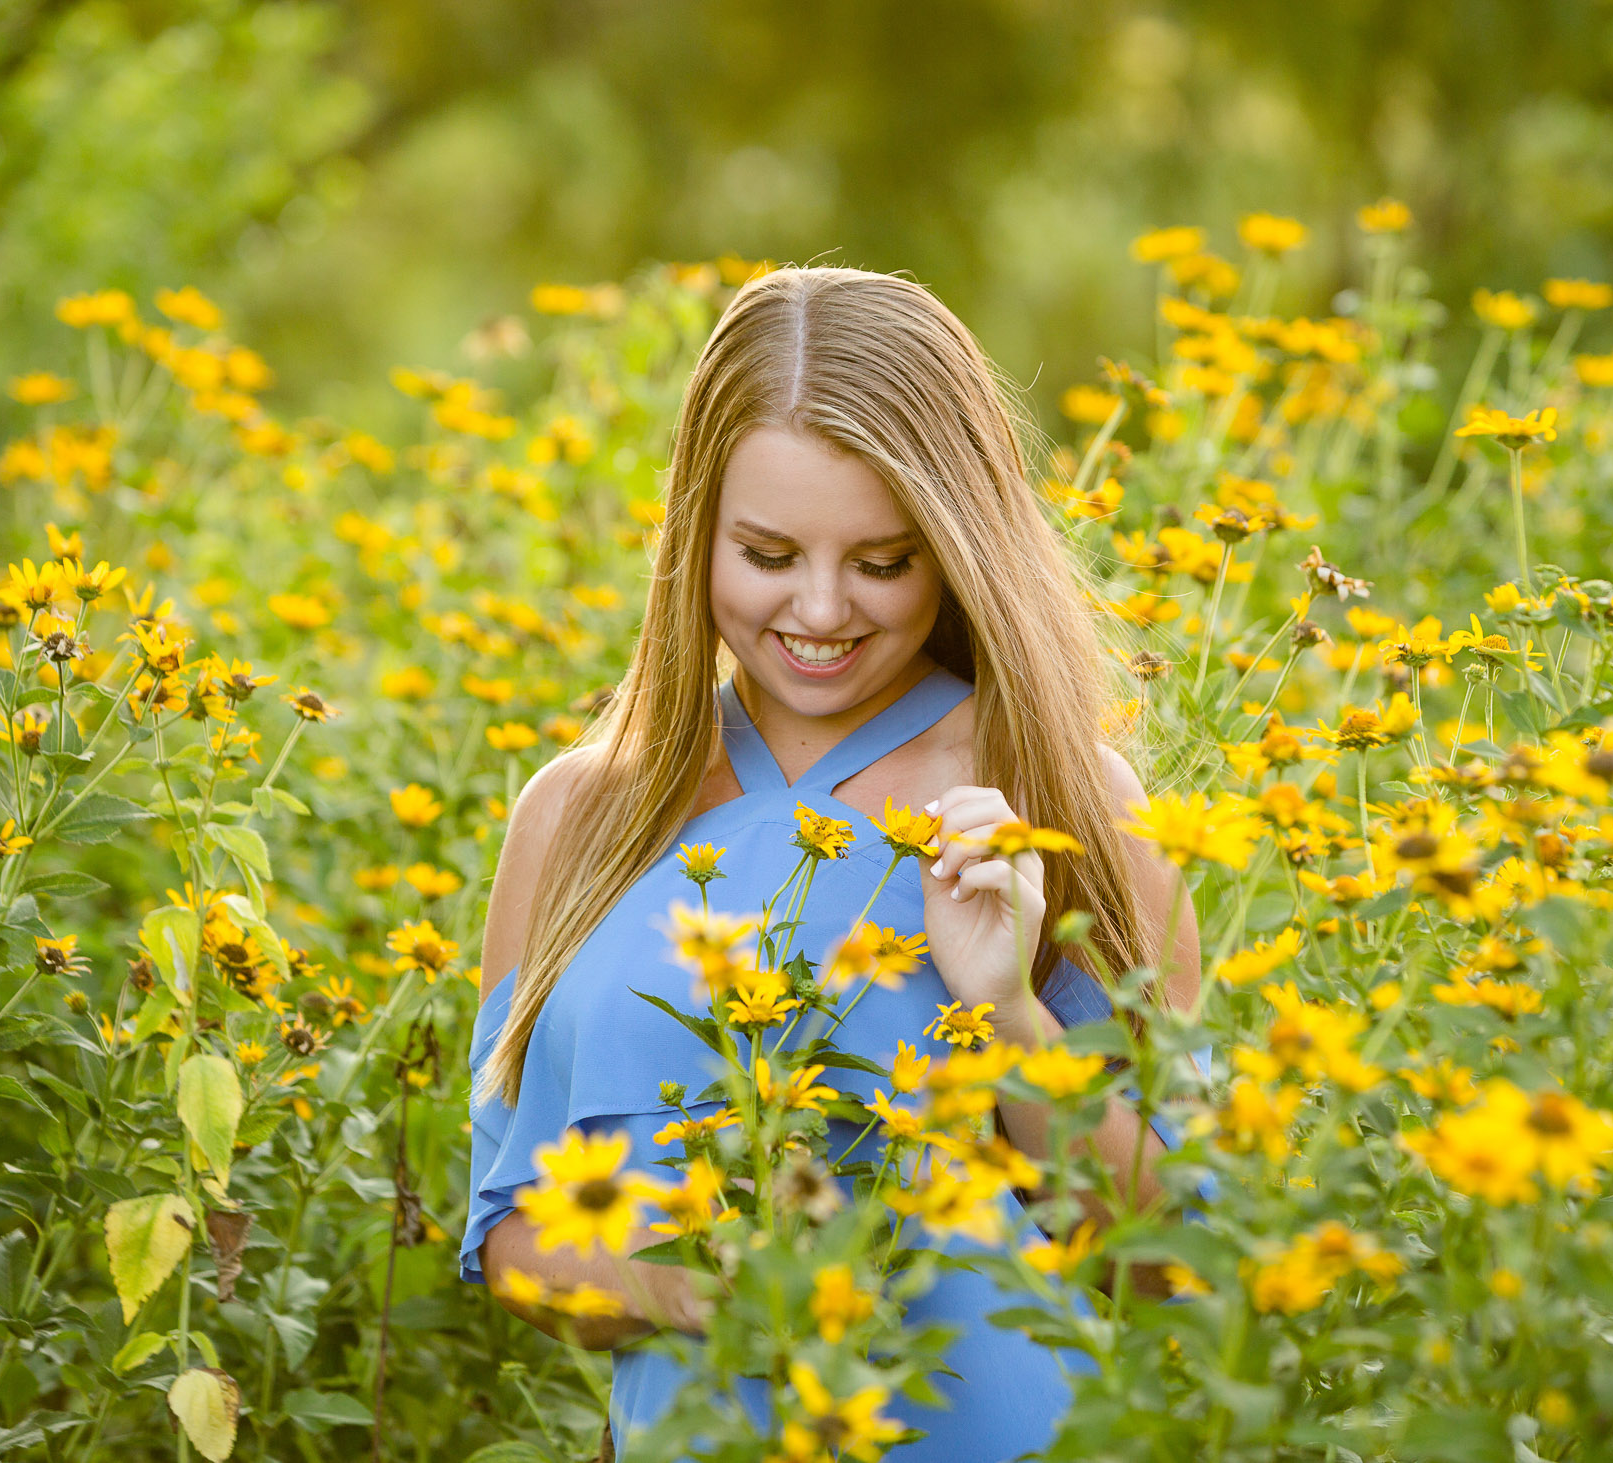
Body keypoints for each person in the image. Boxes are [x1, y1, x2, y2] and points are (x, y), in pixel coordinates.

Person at [458, 265, 1207, 1461]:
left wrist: (1006, 1008)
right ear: (693, 533)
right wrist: (724, 1294)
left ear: (958, 547)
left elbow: (1175, 1255)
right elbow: (508, 1236)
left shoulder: (1061, 801)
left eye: (883, 561)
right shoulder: (578, 815)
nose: (819, 609)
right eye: (766, 551)